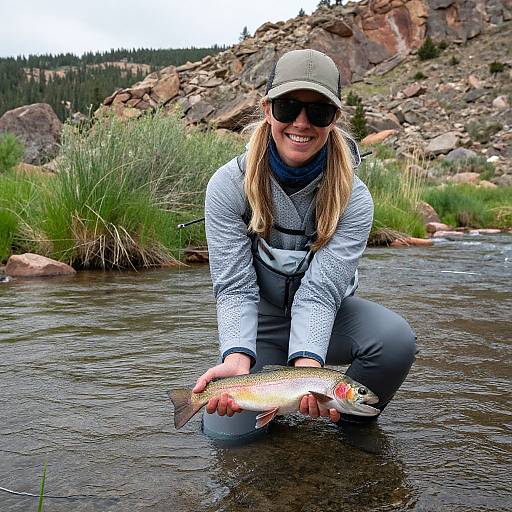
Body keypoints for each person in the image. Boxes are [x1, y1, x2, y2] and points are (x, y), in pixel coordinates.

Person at [193, 49, 417, 442]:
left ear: (334, 119)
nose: (301, 122)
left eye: (318, 112)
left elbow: (321, 292)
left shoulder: (355, 199)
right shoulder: (227, 186)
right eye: (288, 106)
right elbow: (234, 287)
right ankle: (263, 402)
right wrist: (236, 358)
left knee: (394, 340)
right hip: (260, 323)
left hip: (328, 320)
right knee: (229, 438)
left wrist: (308, 368)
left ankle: (350, 426)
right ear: (267, 110)